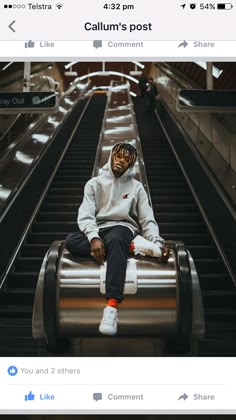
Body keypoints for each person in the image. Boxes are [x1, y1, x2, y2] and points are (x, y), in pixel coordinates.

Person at [65, 142, 165, 336]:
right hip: (101, 229)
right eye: (118, 156)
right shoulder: (94, 184)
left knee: (118, 237)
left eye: (127, 159)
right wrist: (94, 238)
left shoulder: (136, 187)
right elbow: (86, 215)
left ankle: (111, 307)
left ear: (132, 164)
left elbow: (147, 219)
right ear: (111, 156)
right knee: (71, 241)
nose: (121, 161)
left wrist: (157, 243)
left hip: (123, 228)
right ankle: (133, 247)